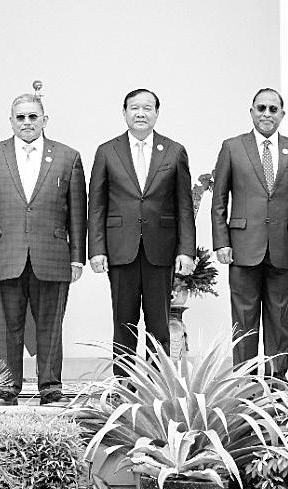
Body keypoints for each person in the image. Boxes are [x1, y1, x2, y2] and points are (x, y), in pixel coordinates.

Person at [0, 94, 86, 406]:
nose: (26, 123)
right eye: (20, 117)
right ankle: (8, 388)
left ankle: (50, 388)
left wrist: (78, 257)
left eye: (33, 117)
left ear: (44, 120)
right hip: (4, 255)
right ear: (11, 121)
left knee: (51, 325)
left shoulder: (68, 157)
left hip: (52, 256)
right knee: (6, 327)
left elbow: (77, 212)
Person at [210, 88, 288, 382]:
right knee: (244, 320)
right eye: (261, 108)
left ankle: (277, 381)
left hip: (283, 246)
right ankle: (245, 383)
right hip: (242, 246)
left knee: (279, 318)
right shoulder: (232, 147)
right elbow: (219, 201)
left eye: (273, 109)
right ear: (252, 112)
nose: (267, 114)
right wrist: (222, 241)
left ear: (282, 114)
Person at [88, 88, 195, 364]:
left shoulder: (174, 151)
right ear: (124, 113)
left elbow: (184, 206)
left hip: (160, 249)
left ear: (157, 113)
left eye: (147, 108)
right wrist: (96, 249)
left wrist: (186, 250)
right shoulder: (107, 151)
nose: (140, 113)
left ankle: (157, 381)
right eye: (134, 108)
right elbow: (96, 205)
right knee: (123, 322)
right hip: (120, 249)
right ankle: (124, 382)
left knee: (159, 323)